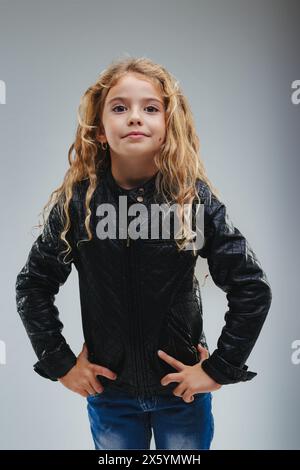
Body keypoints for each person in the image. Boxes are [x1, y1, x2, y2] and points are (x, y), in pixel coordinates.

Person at [15, 56, 272, 450]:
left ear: (170, 127)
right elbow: (33, 284)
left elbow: (251, 286)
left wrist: (220, 368)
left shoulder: (191, 201)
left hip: (181, 392)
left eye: (150, 108)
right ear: (100, 130)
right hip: (111, 394)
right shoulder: (78, 204)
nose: (135, 117)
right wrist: (61, 363)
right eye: (120, 108)